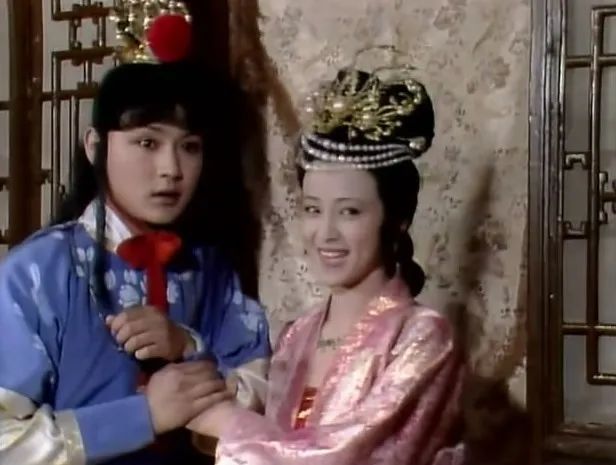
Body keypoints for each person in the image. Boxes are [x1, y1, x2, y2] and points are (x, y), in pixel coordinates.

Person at [0, 2, 270, 465]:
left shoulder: (208, 266)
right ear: (95, 147)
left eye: (189, 147)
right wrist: (141, 416)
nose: (171, 169)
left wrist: (188, 347)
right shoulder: (37, 272)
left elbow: (264, 393)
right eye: (147, 142)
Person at [187, 57, 466, 464]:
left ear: (397, 220)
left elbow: (351, 457)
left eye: (350, 212)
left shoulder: (421, 337)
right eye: (313, 210)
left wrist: (231, 425)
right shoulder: (298, 333)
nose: (326, 232)